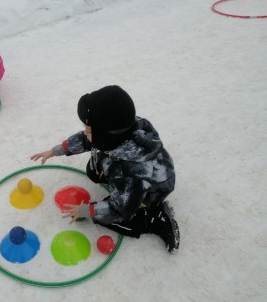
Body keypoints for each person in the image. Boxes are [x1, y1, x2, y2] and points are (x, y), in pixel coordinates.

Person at [31, 85, 180, 253]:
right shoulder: (121, 127)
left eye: (89, 129)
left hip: (151, 191)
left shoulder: (131, 171)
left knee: (106, 218)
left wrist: (87, 210)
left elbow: (120, 209)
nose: (85, 132)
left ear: (105, 135)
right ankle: (115, 184)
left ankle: (153, 218)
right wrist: (55, 151)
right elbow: (87, 140)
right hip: (124, 167)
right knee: (93, 170)